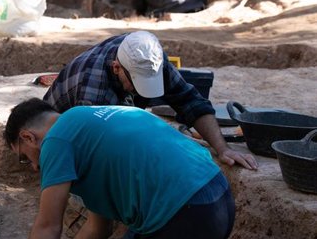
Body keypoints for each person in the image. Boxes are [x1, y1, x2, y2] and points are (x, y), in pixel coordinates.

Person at [5, 98, 272, 239]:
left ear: (28, 137)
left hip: (183, 216)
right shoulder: (88, 122)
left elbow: (48, 226)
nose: (35, 167)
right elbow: (97, 229)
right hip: (219, 201)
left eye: (24, 159)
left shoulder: (55, 142)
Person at [43, 30, 257, 170]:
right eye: (134, 83)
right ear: (117, 68)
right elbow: (96, 150)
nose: (140, 92)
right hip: (57, 132)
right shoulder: (93, 88)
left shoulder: (148, 57)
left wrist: (223, 149)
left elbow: (191, 102)